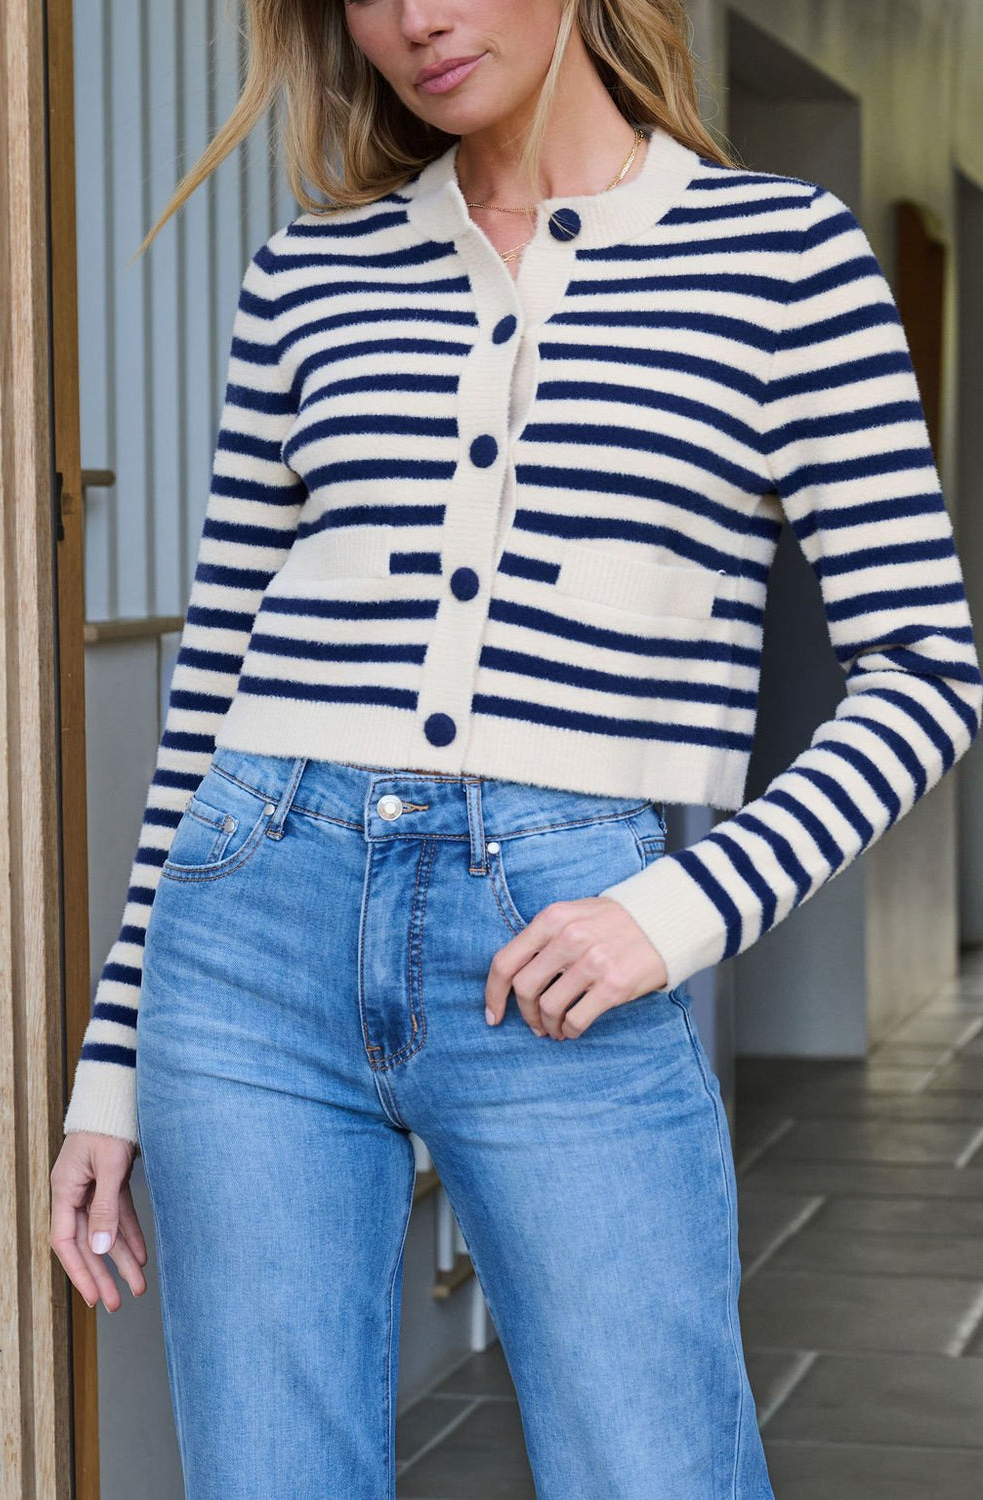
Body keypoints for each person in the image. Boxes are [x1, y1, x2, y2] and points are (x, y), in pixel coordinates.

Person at [50, 1, 982, 1496]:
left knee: (655, 1465)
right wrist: (112, 1073)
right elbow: (211, 689)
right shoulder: (312, 271)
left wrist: (672, 916)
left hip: (562, 936)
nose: (414, 17)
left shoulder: (784, 260)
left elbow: (928, 672)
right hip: (247, 938)